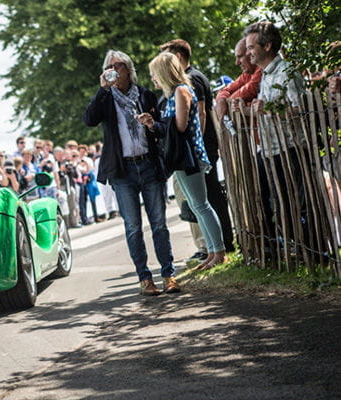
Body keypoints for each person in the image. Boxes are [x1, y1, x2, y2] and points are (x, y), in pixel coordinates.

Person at [83, 49, 178, 295]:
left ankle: (169, 275)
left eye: (119, 65)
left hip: (148, 164)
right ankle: (145, 279)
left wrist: (152, 124)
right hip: (122, 170)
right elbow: (89, 119)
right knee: (133, 226)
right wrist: (102, 88)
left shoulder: (145, 94)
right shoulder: (105, 98)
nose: (114, 69)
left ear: (129, 69)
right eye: (110, 66)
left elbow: (161, 128)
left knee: (158, 223)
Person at [145, 52, 226, 270]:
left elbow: (180, 126)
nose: (152, 78)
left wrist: (160, 124)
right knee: (197, 205)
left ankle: (218, 251)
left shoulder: (181, 91)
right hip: (182, 157)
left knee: (201, 204)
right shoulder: (172, 94)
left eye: (154, 74)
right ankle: (212, 251)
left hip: (188, 155)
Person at [160, 39, 235, 254]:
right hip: (196, 149)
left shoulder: (192, 79)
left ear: (180, 57)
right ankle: (211, 246)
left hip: (199, 149)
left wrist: (195, 144)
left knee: (209, 199)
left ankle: (221, 245)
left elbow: (201, 113)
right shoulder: (184, 82)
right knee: (200, 202)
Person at [245, 21, 307, 250]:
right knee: (280, 201)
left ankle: (308, 246)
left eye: (252, 47)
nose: (248, 51)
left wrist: (269, 110)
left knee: (297, 201)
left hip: (290, 147)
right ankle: (293, 243)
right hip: (271, 148)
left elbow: (302, 110)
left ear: (268, 46)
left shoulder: (286, 72)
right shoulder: (266, 75)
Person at [215, 38, 263, 122]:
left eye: (240, 57)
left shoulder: (261, 69)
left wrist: (228, 101)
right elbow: (224, 90)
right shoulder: (246, 74)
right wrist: (221, 98)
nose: (237, 63)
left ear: (250, 53)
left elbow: (251, 88)